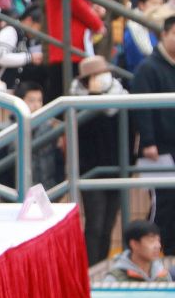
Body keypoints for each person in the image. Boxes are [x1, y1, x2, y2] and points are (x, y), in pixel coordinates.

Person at [68, 55, 130, 265]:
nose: (100, 78)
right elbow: (84, 133)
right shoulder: (76, 102)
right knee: (95, 223)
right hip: (90, 170)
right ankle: (90, 269)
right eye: (94, 76)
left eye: (102, 74)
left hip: (117, 168)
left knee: (108, 224)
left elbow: (130, 132)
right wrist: (93, 97)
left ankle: (101, 266)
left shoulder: (121, 97)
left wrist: (129, 165)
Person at [39, 0, 103, 101]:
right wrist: (97, 24)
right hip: (71, 43)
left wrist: (93, 11)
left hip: (69, 42)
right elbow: (77, 4)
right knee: (66, 92)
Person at [130, 14, 175, 247]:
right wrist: (148, 142)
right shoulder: (148, 68)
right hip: (157, 149)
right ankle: (150, 249)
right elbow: (142, 107)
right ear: (164, 35)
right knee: (162, 202)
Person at [0, 3, 45, 90]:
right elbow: (1, 58)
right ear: (29, 20)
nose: (38, 33)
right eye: (38, 28)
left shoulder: (25, 36)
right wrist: (30, 57)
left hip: (12, 88)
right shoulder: (11, 31)